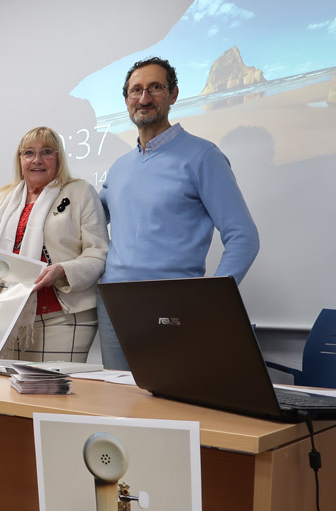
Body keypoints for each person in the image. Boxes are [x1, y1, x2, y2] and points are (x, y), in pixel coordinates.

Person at [98, 57, 260, 370]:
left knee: (167, 410)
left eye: (155, 88)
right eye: (136, 90)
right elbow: (86, 218)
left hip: (172, 307)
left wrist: (212, 299)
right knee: (116, 408)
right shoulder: (119, 168)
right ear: (127, 100)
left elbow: (244, 236)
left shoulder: (203, 156)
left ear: (173, 94)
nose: (144, 98)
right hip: (114, 305)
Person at [0, 126, 108, 362]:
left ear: (59, 158)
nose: (37, 160)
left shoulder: (80, 191)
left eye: (47, 151)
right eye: (28, 153)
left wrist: (63, 270)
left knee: (53, 397)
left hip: (62, 318)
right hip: (1, 317)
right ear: (20, 160)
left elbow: (98, 253)